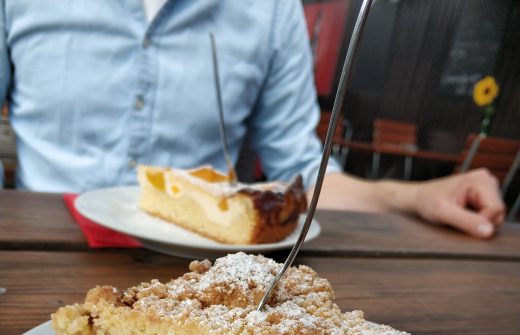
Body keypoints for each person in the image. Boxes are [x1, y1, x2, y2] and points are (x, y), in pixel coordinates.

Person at [0, 0, 505, 238]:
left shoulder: (269, 10)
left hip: (201, 263)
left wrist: (414, 195)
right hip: (39, 240)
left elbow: (301, 173)